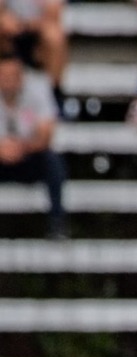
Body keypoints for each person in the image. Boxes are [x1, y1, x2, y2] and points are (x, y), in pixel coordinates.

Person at [0, 45, 63, 237]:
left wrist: (22, 147)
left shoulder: (38, 89)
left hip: (28, 155)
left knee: (52, 161)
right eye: (4, 75)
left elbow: (46, 134)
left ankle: (57, 224)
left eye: (13, 75)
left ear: (21, 75)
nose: (9, 80)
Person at [0, 0, 65, 91]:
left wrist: (26, 25)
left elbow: (53, 15)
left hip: (38, 30)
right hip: (10, 29)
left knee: (54, 36)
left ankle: (54, 91)